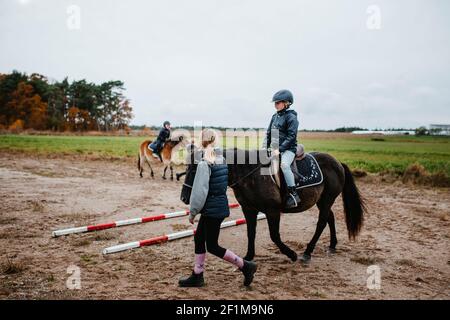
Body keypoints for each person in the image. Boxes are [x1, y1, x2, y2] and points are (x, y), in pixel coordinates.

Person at [179, 129, 257, 287]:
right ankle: (197, 274)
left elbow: (200, 192)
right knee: (199, 238)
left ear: (203, 141)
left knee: (213, 246)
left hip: (212, 209)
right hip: (219, 205)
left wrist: (193, 213)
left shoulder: (204, 163)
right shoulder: (221, 158)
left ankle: (246, 266)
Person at [265, 89, 301, 208]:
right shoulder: (274, 116)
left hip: (289, 149)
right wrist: (265, 147)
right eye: (275, 103)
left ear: (287, 103)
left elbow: (291, 136)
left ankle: (293, 193)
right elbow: (269, 133)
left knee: (284, 165)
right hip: (276, 148)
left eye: (278, 102)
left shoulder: (291, 117)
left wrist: (279, 149)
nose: (276, 105)